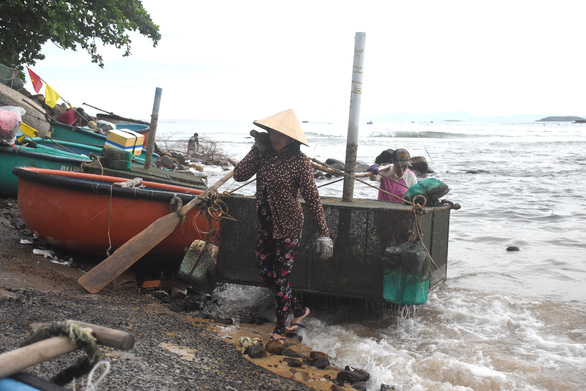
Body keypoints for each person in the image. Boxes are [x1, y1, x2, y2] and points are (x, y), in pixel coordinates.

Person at [233, 109, 334, 344]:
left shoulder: (300, 162)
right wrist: (255, 149)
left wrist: (324, 233)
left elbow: (312, 197)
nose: (276, 137)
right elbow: (239, 175)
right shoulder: (263, 155)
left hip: (289, 227)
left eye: (281, 134)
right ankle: (299, 309)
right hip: (265, 226)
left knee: (279, 278)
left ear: (291, 138)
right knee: (266, 276)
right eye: (272, 132)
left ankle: (280, 327)